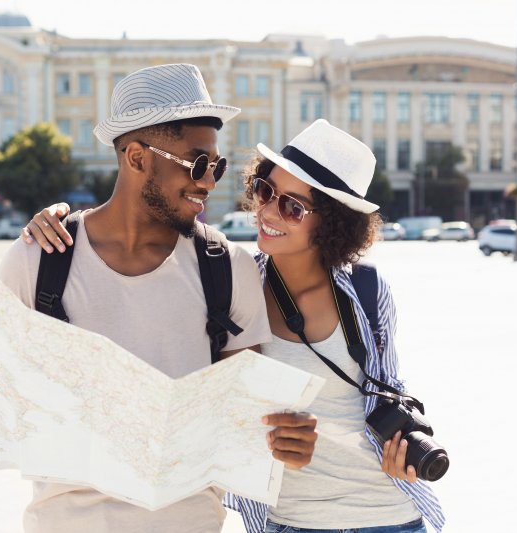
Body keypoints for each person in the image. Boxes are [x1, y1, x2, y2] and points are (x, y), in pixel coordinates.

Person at [0, 64, 318, 533]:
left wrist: (286, 440)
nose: (209, 182)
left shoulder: (226, 266)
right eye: (197, 164)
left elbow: (247, 417)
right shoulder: (41, 259)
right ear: (137, 158)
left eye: (215, 166)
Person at [27, 119, 446, 533]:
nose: (267, 211)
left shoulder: (368, 291)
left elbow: (388, 387)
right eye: (266, 191)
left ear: (332, 222)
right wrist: (64, 222)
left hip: (388, 517)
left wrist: (404, 449)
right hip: (287, 522)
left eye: (292, 206)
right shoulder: (228, 281)